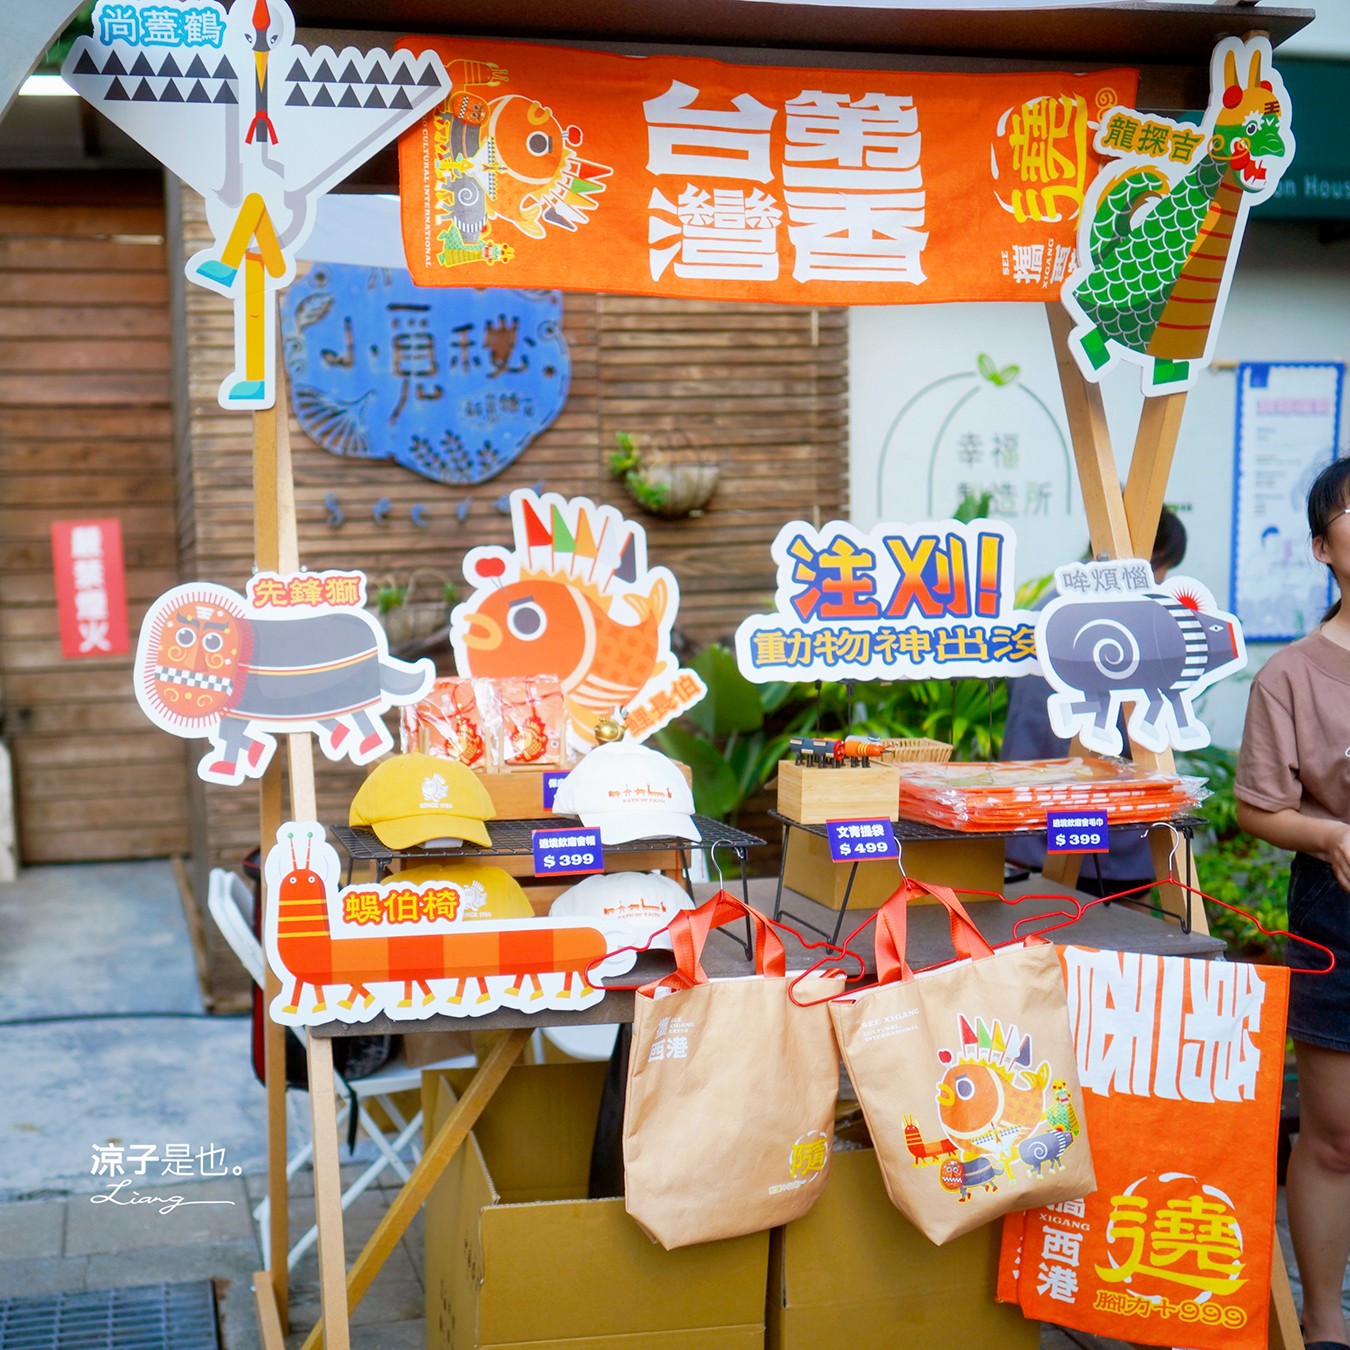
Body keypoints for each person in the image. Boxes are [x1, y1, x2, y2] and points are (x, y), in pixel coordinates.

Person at [1236, 457, 1350, 1350]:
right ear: (1323, 548)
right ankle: (1323, 1318)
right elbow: (1257, 807)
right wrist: (1328, 834)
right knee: (1335, 1136)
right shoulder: (1291, 676)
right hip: (1338, 908)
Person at [1001, 507, 1188, 896]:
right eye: (1164, 567)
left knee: (1040, 921)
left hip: (1028, 808)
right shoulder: (1134, 614)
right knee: (1116, 923)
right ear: (1149, 555)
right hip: (1103, 821)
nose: (1163, 579)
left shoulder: (1047, 605)